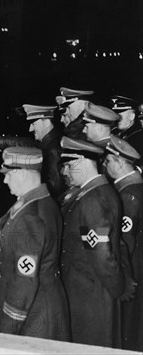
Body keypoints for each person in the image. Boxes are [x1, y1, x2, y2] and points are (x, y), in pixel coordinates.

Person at [0, 147, 70, 340]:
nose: (4, 180)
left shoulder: (29, 218)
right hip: (47, 305)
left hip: (33, 317)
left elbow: (24, 282)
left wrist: (6, 331)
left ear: (23, 174)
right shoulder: (46, 202)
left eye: (9, 174)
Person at [59, 137, 128, 348]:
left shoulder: (93, 200)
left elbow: (101, 254)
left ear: (81, 160)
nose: (65, 172)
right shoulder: (92, 192)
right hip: (88, 290)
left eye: (69, 165)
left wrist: (116, 289)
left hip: (90, 295)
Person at [103, 136, 142, 351]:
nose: (105, 165)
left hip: (133, 270)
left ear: (119, 163)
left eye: (108, 161)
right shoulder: (131, 186)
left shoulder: (129, 195)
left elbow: (126, 241)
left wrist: (122, 277)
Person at [0, 104, 65, 199]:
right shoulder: (47, 143)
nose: (30, 129)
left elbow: (54, 186)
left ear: (46, 122)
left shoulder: (53, 149)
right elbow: (24, 143)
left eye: (33, 124)